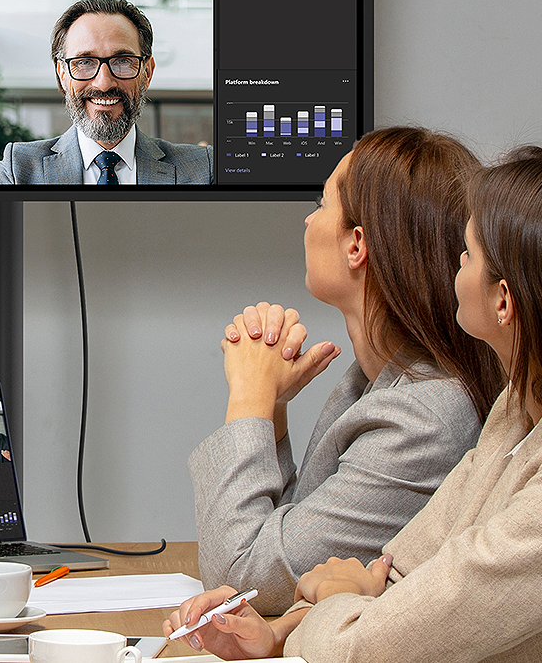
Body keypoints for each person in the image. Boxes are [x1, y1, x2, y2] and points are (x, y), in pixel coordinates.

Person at [167, 145, 542, 663]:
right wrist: (280, 631)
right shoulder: (511, 412)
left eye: (471, 251)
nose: (458, 255)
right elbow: (403, 571)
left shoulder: (426, 416)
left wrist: (250, 398)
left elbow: (352, 636)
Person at [0, 0, 213, 185]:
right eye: (85, 62)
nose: (103, 83)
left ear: (147, 72)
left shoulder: (203, 168)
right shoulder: (19, 168)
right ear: (62, 73)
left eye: (123, 61)